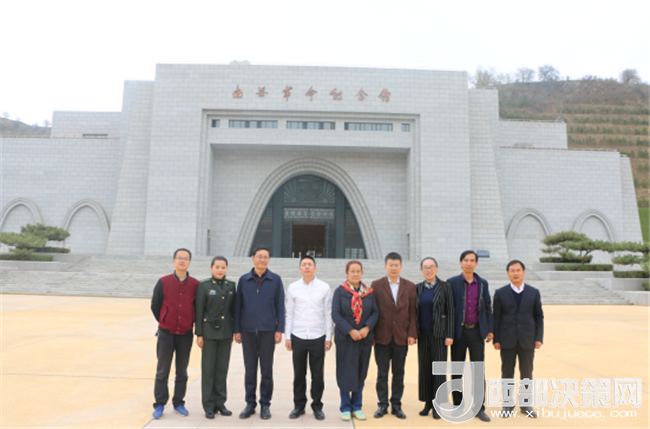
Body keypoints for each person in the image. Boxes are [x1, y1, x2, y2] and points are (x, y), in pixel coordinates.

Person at [234, 246, 285, 420]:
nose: (262, 260)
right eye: (260, 256)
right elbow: (238, 306)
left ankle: (265, 404)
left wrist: (279, 329)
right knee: (250, 369)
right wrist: (237, 330)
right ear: (253, 258)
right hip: (247, 330)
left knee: (266, 370)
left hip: (267, 330)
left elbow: (280, 305)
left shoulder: (275, 280)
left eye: (266, 257)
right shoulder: (244, 280)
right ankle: (250, 403)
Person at [150, 248, 199, 419]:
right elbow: (155, 305)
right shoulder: (163, 282)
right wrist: (164, 319)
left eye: (186, 258)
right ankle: (159, 404)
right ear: (174, 261)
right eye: (179, 258)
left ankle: (178, 403)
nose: (182, 261)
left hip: (185, 334)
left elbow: (198, 307)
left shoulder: (195, 284)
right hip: (166, 334)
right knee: (162, 370)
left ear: (189, 262)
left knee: (182, 371)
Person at [493, 260, 544, 419]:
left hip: (527, 339)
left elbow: (538, 316)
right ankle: (507, 404)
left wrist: (538, 337)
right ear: (507, 273)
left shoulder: (533, 292)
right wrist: (496, 339)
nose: (515, 273)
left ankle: (526, 404)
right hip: (507, 339)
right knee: (507, 372)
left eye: (518, 270)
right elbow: (496, 317)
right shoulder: (500, 293)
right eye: (512, 270)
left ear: (523, 272)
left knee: (527, 372)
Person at [285, 255, 333, 421]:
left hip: (318, 336)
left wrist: (328, 337)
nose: (307, 267)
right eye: (304, 264)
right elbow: (289, 313)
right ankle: (299, 406)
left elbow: (328, 314)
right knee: (299, 374)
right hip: (298, 336)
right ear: (300, 269)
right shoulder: (293, 288)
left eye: (310, 264)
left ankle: (317, 406)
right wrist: (288, 336)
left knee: (317, 375)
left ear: (315, 268)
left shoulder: (324, 287)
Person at [447, 250, 493, 422]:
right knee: (457, 371)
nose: (468, 263)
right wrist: (448, 333)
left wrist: (490, 329)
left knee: (478, 371)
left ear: (476, 263)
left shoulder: (482, 283)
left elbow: (488, 307)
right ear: (461, 262)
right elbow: (448, 310)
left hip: (476, 333)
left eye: (472, 260)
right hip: (458, 333)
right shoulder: (452, 283)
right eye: (466, 260)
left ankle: (479, 408)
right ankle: (458, 406)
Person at [371, 252, 417, 419]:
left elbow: (413, 312)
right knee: (382, 373)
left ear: (401, 266)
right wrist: (372, 335)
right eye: (390, 265)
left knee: (399, 374)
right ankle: (382, 405)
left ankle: (396, 405)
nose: (393, 268)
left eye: (396, 265)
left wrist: (412, 333)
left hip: (401, 337)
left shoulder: (409, 286)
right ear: (385, 266)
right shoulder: (376, 285)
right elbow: (372, 311)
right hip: (381, 337)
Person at [332, 260, 379, 422]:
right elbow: (336, 314)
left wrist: (366, 329)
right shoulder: (340, 291)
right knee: (345, 372)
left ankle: (357, 406)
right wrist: (350, 330)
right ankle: (345, 406)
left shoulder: (369, 292)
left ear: (362, 273)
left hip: (364, 339)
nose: (355, 274)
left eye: (358, 271)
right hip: (346, 338)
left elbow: (375, 313)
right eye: (352, 271)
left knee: (361, 371)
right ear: (347, 273)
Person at [195, 256, 236, 419]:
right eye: (217, 267)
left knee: (222, 369)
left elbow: (233, 310)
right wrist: (199, 334)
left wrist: (233, 332)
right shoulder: (204, 285)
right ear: (211, 268)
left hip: (225, 333)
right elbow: (199, 311)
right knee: (208, 370)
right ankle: (208, 405)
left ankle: (220, 403)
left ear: (227, 269)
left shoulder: (231, 286)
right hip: (209, 333)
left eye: (223, 267)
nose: (220, 270)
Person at [415, 257, 454, 419]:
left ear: (437, 268)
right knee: (424, 369)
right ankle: (427, 403)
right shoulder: (418, 288)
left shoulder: (445, 287)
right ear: (421, 270)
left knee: (438, 370)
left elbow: (450, 311)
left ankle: (438, 404)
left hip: (439, 335)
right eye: (425, 267)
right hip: (423, 335)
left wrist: (449, 334)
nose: (429, 270)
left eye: (431, 267)